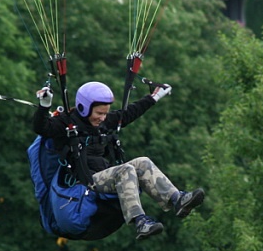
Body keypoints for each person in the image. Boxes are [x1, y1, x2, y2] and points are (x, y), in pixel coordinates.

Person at [33, 81, 204, 240]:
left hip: (103, 177)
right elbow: (41, 127)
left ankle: (177, 199)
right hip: (83, 183)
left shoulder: (104, 123)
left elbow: (128, 113)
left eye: (105, 113)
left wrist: (153, 97)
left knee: (142, 162)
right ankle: (140, 221)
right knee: (125, 170)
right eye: (99, 113)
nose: (103, 118)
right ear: (84, 108)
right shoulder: (65, 124)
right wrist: (44, 106)